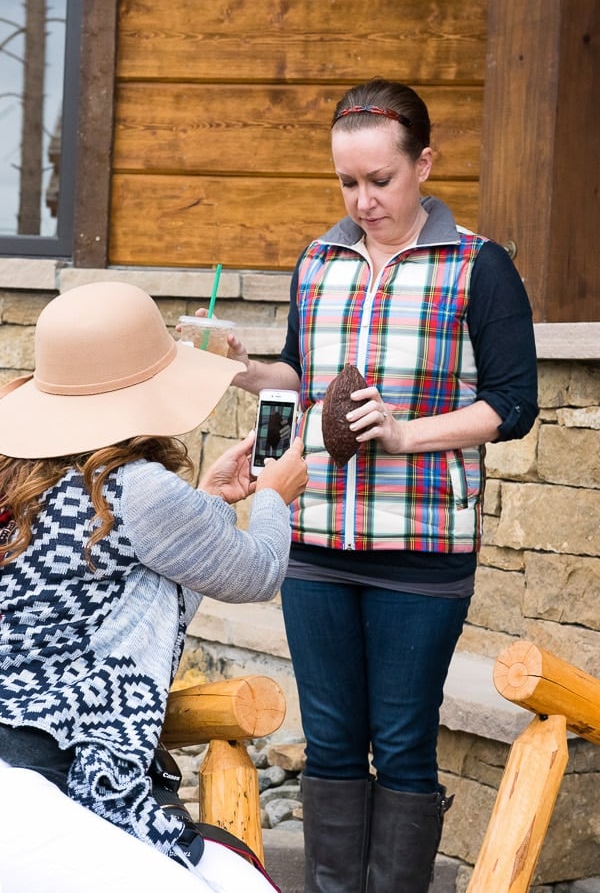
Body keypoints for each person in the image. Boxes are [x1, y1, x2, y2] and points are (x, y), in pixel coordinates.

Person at [200, 79, 539, 892]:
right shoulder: (318, 260)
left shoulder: (479, 266)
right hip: (315, 541)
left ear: (425, 164)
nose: (363, 200)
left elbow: (513, 402)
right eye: (347, 183)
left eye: (379, 181)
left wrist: (406, 433)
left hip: (420, 552)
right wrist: (244, 370)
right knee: (331, 740)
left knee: (403, 743)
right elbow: (299, 374)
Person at [0, 280, 308, 893]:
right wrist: (276, 496)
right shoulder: (137, 485)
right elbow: (258, 571)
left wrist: (211, 502)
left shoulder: (27, 470)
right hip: (57, 766)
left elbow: (130, 591)